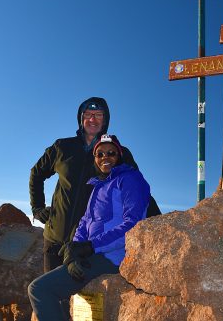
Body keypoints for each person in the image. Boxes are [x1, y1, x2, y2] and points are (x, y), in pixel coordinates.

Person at [28, 134, 150, 320]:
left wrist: (91, 246)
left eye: (111, 153)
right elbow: (85, 222)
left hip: (113, 256)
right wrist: (74, 251)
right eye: (99, 154)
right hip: (93, 254)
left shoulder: (130, 179)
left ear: (120, 156)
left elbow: (132, 226)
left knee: (40, 289)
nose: (105, 157)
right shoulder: (98, 186)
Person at [29, 97, 140, 273]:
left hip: (90, 244)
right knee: (52, 293)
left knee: (87, 299)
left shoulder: (117, 153)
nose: (92, 119)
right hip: (55, 240)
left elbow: (136, 190)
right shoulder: (62, 147)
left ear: (106, 120)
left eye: (98, 114)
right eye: (87, 114)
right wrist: (37, 207)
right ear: (81, 119)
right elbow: (36, 173)